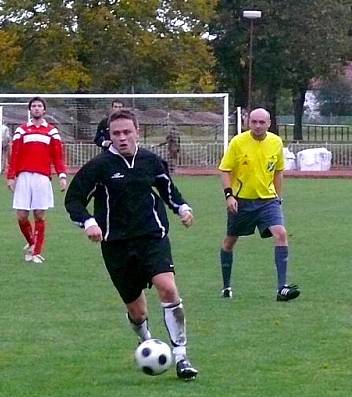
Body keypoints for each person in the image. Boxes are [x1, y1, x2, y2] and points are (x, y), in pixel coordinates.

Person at [65, 109, 199, 381]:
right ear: (109, 136)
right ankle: (146, 340)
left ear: (137, 131)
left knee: (168, 288)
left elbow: (168, 190)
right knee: (137, 311)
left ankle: (182, 356)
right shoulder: (99, 167)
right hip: (116, 245)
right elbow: (74, 200)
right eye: (116, 133)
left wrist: (182, 208)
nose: (122, 138)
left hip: (153, 237)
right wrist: (89, 222)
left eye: (127, 132)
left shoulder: (151, 161)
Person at [218, 107, 300, 301]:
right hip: (242, 201)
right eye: (254, 122)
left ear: (269, 124)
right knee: (230, 241)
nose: (257, 125)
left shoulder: (276, 142)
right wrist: (229, 196)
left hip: (268, 200)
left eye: (262, 122)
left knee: (280, 233)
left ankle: (282, 288)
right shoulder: (238, 142)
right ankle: (226, 286)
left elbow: (278, 171)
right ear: (248, 123)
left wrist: (278, 198)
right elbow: (225, 170)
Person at [6, 96, 68, 264]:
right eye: (34, 106)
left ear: (44, 110)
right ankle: (32, 242)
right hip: (24, 176)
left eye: (40, 106)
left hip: (42, 177)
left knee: (39, 215)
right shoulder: (22, 130)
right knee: (21, 216)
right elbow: (15, 155)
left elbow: (58, 156)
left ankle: (37, 252)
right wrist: (10, 177)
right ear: (30, 110)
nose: (37, 108)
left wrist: (62, 176)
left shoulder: (52, 131)